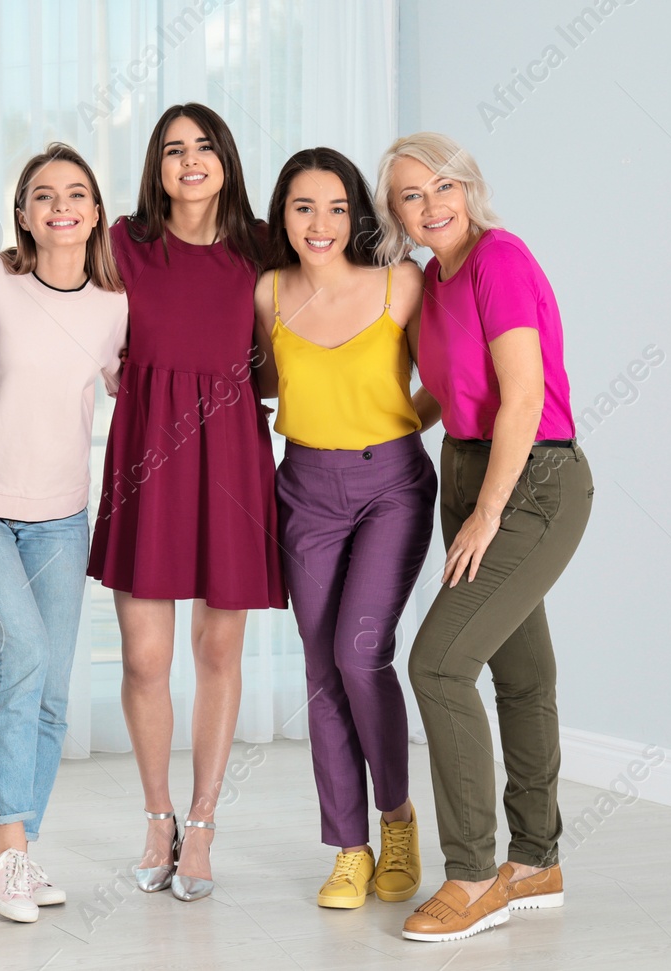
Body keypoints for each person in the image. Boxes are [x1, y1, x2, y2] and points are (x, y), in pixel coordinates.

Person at [373, 133, 594, 943]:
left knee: (435, 663)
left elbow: (524, 394)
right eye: (410, 195)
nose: (431, 205)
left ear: (469, 188)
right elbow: (443, 389)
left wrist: (488, 511)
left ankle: (471, 875)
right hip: (468, 469)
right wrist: (384, 427)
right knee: (522, 671)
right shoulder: (432, 280)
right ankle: (536, 860)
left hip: (532, 479)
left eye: (443, 186)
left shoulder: (500, 258)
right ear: (394, 213)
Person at [88, 103, 286, 902]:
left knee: (217, 651)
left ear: (227, 159)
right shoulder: (124, 242)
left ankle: (202, 823)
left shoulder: (263, 243)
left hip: (232, 449)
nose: (190, 160)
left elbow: (288, 343)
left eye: (204, 146)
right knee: (143, 656)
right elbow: (57, 286)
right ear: (156, 165)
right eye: (174, 149)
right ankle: (157, 815)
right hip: (145, 452)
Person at [0, 143, 129, 923]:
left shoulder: (117, 304)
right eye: (44, 195)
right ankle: (7, 853)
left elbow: (138, 383)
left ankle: (23, 848)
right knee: (18, 659)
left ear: (95, 211)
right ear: (22, 212)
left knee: (54, 690)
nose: (62, 206)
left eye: (77, 193)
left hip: (61, 513)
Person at [250, 147, 433, 910]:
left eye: (333, 207)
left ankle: (397, 819)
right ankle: (348, 848)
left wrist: (388, 436)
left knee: (362, 654)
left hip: (391, 484)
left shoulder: (401, 283)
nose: (318, 224)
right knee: (322, 669)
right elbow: (263, 383)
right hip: (305, 490)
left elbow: (444, 384)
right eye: (302, 207)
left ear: (355, 214)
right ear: (282, 217)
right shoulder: (267, 291)